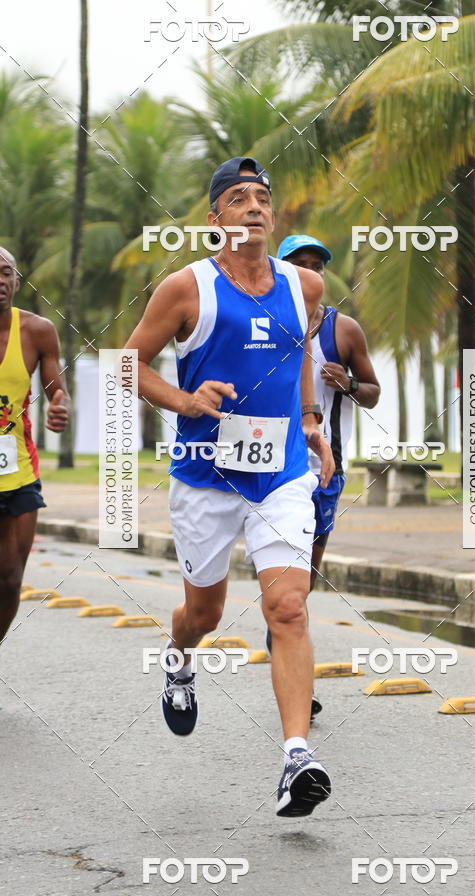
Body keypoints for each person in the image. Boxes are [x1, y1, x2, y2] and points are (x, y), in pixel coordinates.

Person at [124, 158, 335, 818]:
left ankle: (296, 756)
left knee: (289, 609)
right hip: (205, 480)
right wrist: (184, 400)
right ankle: (179, 660)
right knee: (204, 615)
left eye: (263, 198)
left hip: (281, 474)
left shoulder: (305, 286)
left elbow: (300, 355)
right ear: (214, 218)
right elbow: (128, 365)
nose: (254, 207)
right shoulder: (185, 289)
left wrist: (310, 422)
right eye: (238, 199)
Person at [276, 235, 380, 588]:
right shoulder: (261, 324)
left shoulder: (344, 330)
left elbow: (373, 393)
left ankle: (283, 637)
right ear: (280, 271)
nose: (309, 273)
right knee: (277, 565)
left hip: (325, 467)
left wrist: (349, 384)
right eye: (298, 266)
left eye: (316, 267)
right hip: (272, 465)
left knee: (305, 577)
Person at [0, 247, 70, 645]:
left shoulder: (36, 331)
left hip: (17, 470)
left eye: (6, 272)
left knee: (10, 580)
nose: (0, 280)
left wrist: (61, 407)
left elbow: (56, 390)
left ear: (17, 280)